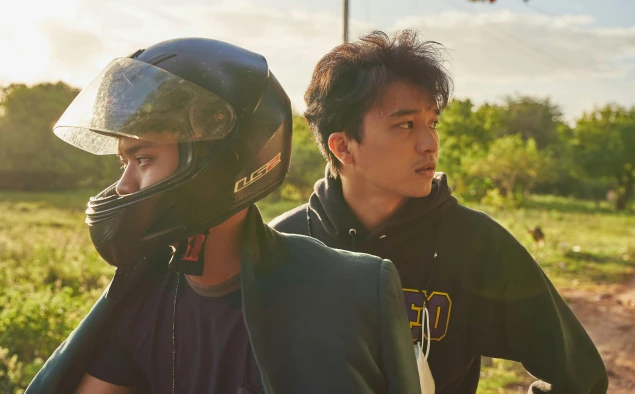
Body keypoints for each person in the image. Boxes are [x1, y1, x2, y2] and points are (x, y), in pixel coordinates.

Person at [25, 38, 421, 394]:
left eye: (144, 159)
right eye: (124, 162)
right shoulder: (144, 293)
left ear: (223, 160)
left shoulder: (353, 289)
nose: (125, 185)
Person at [271, 30, 608, 394]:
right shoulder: (282, 247)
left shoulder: (477, 244)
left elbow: (581, 377)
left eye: (432, 123)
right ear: (344, 146)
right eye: (406, 124)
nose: (430, 144)